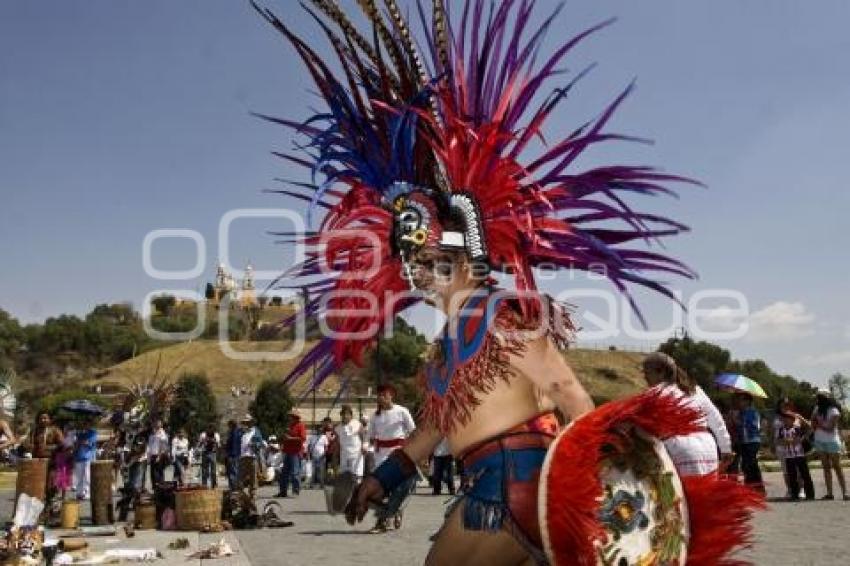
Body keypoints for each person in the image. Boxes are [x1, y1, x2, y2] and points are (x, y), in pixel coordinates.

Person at [254, 1, 762, 562]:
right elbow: (431, 431)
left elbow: (567, 390)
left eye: (427, 254)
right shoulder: (447, 346)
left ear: (465, 254)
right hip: (488, 491)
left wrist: (600, 488)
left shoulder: (503, 316)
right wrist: (382, 478)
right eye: (411, 261)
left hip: (518, 493)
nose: (418, 271)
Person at [641, 352, 733, 476]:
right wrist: (726, 448)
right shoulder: (694, 390)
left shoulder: (655, 393)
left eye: (647, 372)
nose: (645, 377)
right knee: (705, 493)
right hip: (708, 451)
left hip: (681, 451)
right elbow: (716, 419)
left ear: (661, 372)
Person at [366, 384, 416, 533]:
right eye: (379, 395)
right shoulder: (375, 416)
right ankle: (389, 515)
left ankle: (385, 519)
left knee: (396, 489)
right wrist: (367, 447)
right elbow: (370, 437)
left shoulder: (402, 411)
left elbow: (413, 432)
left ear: (391, 395)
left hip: (398, 455)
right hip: (380, 456)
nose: (381, 398)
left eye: (384, 395)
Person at [811, 389, 847, 500]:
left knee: (837, 466)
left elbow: (830, 428)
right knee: (826, 467)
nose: (818, 399)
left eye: (820, 397)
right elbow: (812, 421)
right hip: (819, 440)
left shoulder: (834, 410)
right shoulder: (817, 409)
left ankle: (845, 492)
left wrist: (819, 424)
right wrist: (815, 422)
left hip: (832, 440)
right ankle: (829, 493)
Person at [775, 410, 815, 501]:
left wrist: (800, 439)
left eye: (788, 419)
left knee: (805, 474)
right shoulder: (781, 430)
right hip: (788, 456)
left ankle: (810, 494)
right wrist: (785, 441)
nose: (786, 420)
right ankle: (794, 494)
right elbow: (778, 441)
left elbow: (803, 435)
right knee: (792, 475)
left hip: (799, 455)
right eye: (785, 419)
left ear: (792, 420)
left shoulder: (796, 428)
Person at [734, 393, 765, 493]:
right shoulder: (740, 412)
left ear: (747, 401)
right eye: (738, 400)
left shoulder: (753, 412)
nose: (739, 402)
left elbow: (754, 426)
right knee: (745, 465)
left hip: (752, 441)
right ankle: (750, 486)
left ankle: (758, 487)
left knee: (751, 464)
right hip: (743, 442)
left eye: (742, 400)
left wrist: (740, 422)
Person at [773, 396, 803, 498]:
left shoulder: (796, 416)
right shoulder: (776, 418)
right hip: (781, 447)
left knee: (797, 470)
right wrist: (772, 445)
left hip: (796, 448)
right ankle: (790, 490)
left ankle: (801, 489)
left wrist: (801, 439)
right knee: (786, 471)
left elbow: (808, 427)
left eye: (787, 404)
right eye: (783, 404)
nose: (785, 406)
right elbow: (771, 432)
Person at [278, 409, 306, 497]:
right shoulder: (289, 426)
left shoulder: (300, 425)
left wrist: (290, 438)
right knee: (284, 473)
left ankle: (295, 491)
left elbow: (303, 438)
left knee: (295, 473)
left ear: (295, 417)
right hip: (287, 452)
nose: (289, 418)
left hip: (296, 452)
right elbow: (286, 437)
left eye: (291, 416)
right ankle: (283, 491)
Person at [334, 405, 366, 480]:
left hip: (356, 455)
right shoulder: (338, 428)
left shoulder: (357, 424)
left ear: (351, 415)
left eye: (347, 414)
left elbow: (363, 437)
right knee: (345, 477)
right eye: (343, 414)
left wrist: (364, 446)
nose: (345, 416)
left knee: (356, 477)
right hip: (344, 456)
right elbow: (337, 444)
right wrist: (335, 456)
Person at [73, 420, 98, 500]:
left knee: (87, 476)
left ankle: (87, 493)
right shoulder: (79, 433)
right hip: (79, 457)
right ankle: (79, 493)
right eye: (84, 423)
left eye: (87, 423)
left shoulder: (93, 433)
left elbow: (91, 444)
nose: (85, 425)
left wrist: (85, 442)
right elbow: (76, 444)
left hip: (88, 457)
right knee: (79, 476)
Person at [146, 419, 169, 489]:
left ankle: (160, 488)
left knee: (158, 473)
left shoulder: (162, 434)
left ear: (160, 424)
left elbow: (163, 446)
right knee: (153, 474)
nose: (155, 425)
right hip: (152, 455)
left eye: (157, 423)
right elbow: (149, 446)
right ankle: (155, 488)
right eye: (155, 423)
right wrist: (148, 456)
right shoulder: (152, 434)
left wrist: (159, 456)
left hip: (159, 455)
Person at [197, 423, 221, 489]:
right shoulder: (203, 434)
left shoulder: (216, 435)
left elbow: (219, 445)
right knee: (204, 470)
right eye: (209, 428)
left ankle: (213, 484)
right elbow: (199, 444)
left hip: (213, 453)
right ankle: (204, 485)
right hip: (205, 452)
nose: (210, 430)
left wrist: (215, 442)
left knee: (213, 471)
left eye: (212, 428)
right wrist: (203, 442)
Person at [309, 424, 330, 489]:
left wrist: (324, 454)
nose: (319, 430)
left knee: (321, 471)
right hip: (314, 456)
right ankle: (312, 484)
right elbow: (309, 446)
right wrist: (309, 454)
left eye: (321, 429)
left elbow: (326, 447)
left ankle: (322, 485)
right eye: (318, 429)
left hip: (321, 456)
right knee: (313, 471)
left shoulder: (324, 437)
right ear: (316, 430)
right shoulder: (312, 437)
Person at [224, 420, 241, 490]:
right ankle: (234, 486)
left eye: (229, 425)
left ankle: (233, 487)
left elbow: (233, 445)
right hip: (235, 454)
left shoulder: (234, 433)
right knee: (234, 471)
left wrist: (228, 455)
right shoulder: (237, 432)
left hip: (232, 455)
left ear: (231, 425)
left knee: (232, 472)